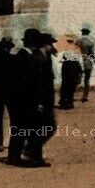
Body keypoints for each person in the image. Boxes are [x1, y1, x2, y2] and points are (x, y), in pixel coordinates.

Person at [5, 29, 40, 165]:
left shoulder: (22, 55)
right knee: (20, 128)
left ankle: (14, 156)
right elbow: (23, 81)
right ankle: (13, 157)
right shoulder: (24, 56)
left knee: (19, 128)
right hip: (20, 99)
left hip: (17, 99)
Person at [27, 32, 57, 165]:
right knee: (46, 127)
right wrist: (39, 102)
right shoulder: (39, 59)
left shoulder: (43, 56)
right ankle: (35, 156)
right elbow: (37, 82)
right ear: (45, 45)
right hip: (41, 100)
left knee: (45, 127)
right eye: (50, 44)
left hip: (44, 100)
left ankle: (32, 151)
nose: (52, 46)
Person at [58, 36, 82, 110]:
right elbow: (78, 59)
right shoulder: (76, 48)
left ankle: (63, 101)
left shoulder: (65, 48)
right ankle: (70, 102)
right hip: (74, 67)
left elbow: (63, 59)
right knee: (71, 85)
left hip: (66, 67)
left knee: (64, 84)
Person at [76, 26, 95, 102]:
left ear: (82, 33)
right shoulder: (90, 43)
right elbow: (92, 54)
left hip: (77, 62)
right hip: (87, 62)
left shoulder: (77, 42)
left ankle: (70, 95)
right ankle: (85, 96)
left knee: (75, 78)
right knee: (87, 80)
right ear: (88, 33)